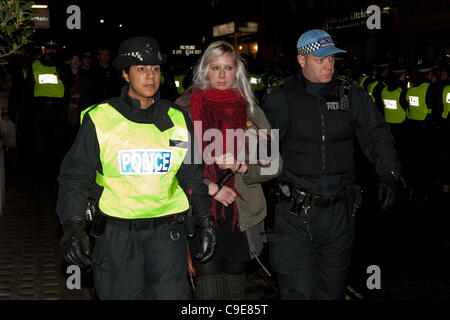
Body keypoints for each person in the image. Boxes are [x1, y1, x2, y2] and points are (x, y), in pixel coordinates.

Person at [56, 36, 216, 300]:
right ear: (125, 74)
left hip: (168, 237)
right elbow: (76, 175)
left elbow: (191, 174)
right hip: (118, 238)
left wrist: (204, 220)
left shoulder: (177, 118)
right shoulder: (101, 118)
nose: (150, 76)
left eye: (155, 69)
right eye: (141, 69)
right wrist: (73, 224)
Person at [261, 29, 401, 300]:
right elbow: (260, 146)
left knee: (332, 292)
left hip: (340, 214)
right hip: (295, 216)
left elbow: (376, 134)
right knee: (298, 291)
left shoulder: (350, 94)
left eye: (332, 59)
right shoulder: (281, 97)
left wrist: (389, 173)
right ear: (301, 60)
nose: (329, 65)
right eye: (320, 59)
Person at [175, 40, 282, 300]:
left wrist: (242, 166)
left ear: (237, 71)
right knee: (209, 292)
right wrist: (209, 187)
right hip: (201, 210)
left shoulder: (251, 110)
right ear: (204, 70)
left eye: (228, 68)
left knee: (234, 293)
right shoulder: (183, 109)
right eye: (215, 68)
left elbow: (275, 163)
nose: (222, 75)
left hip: (241, 214)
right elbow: (173, 163)